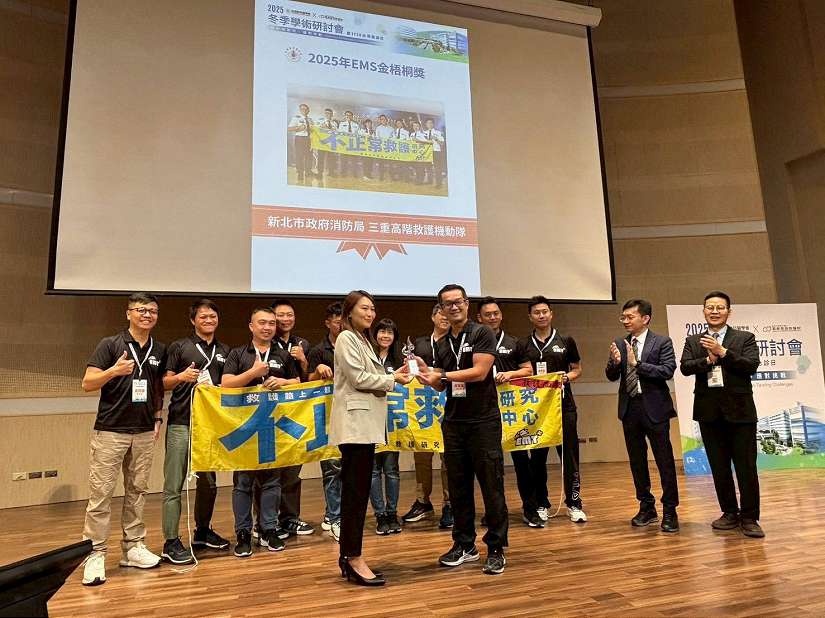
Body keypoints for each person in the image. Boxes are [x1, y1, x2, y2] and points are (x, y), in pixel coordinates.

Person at [417, 284, 509, 575]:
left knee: (491, 487)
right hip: (454, 423)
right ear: (441, 309)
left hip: (483, 421)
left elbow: (480, 372)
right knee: (458, 488)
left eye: (458, 301)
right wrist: (425, 375)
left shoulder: (482, 333)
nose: (453, 307)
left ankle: (495, 548)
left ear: (467, 304)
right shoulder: (443, 343)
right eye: (448, 304)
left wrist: (441, 374)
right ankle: (464, 544)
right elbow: (441, 385)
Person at [80, 293, 166, 586]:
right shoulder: (110, 344)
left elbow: (157, 388)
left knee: (137, 491)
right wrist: (114, 371)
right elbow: (87, 383)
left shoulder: (159, 348)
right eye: (141, 310)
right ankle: (95, 553)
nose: (147, 315)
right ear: (129, 313)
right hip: (111, 430)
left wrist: (157, 418)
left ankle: (133, 547)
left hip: (144, 431)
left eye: (152, 310)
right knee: (101, 495)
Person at [332, 290, 412, 586]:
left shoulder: (362, 339)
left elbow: (369, 375)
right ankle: (353, 558)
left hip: (364, 426)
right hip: (355, 425)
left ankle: (349, 556)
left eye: (372, 308)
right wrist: (393, 379)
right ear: (349, 312)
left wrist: (393, 374)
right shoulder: (346, 338)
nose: (370, 313)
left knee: (359, 492)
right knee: (355, 494)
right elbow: (358, 378)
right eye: (364, 308)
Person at [679, 291, 763, 538]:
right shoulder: (694, 340)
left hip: (741, 413)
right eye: (710, 307)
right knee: (719, 467)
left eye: (720, 307)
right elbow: (685, 367)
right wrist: (707, 359)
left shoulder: (744, 338)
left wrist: (723, 352)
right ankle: (729, 513)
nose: (714, 312)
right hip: (709, 413)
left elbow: (751, 366)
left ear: (729, 311)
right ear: (703, 311)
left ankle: (750, 517)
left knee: (746, 467)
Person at [221, 307, 301, 557]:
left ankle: (268, 529)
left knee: (272, 481)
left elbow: (298, 382)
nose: (267, 327)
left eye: (271, 323)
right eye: (262, 323)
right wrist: (252, 374)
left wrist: (283, 382)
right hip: (245, 427)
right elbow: (225, 384)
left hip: (273, 427)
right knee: (243, 482)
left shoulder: (282, 355)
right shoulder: (237, 353)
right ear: (251, 326)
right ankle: (243, 533)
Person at [160, 299, 231, 565]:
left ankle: (202, 531)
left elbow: (229, 384)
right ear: (193, 320)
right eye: (203, 317)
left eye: (213, 316)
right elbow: (164, 382)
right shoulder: (179, 347)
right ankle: (170, 541)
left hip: (210, 424)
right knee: (174, 484)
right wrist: (181, 378)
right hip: (182, 421)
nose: (208, 320)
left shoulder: (225, 351)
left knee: (209, 482)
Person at [605, 299, 680, 532]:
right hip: (630, 408)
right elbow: (610, 375)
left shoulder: (662, 342)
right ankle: (646, 506)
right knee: (637, 461)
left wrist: (637, 364)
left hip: (655, 409)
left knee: (664, 461)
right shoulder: (620, 343)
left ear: (645, 318)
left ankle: (670, 510)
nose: (625, 321)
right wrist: (616, 363)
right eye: (623, 317)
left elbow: (667, 371)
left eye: (630, 317)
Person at [515, 296, 587, 523]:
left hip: (564, 406)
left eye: (545, 311)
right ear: (530, 317)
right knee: (537, 458)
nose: (541, 315)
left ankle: (574, 504)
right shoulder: (523, 344)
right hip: (536, 410)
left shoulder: (566, 340)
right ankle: (541, 503)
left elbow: (577, 369)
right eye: (536, 312)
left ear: (551, 313)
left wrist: (567, 377)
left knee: (569, 456)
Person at [476, 297, 540, 528]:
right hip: (484, 410)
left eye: (496, 313)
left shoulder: (514, 342)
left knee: (522, 462)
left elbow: (528, 369)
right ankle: (495, 511)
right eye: (488, 314)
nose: (493, 317)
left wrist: (510, 374)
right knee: (491, 467)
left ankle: (530, 509)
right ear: (479, 318)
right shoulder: (474, 342)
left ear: (501, 315)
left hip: (513, 411)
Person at [402, 304, 452, 528]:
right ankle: (423, 502)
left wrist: (433, 373)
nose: (445, 317)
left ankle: (450, 503)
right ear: (433, 317)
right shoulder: (419, 344)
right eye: (441, 313)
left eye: (448, 314)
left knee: (448, 457)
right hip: (422, 409)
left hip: (447, 407)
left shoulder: (455, 343)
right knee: (421, 456)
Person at [270, 299, 314, 538]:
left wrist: (303, 360)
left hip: (297, 413)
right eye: (280, 315)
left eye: (289, 315)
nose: (285, 319)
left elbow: (308, 379)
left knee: (293, 469)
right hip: (270, 414)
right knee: (269, 472)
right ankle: (266, 522)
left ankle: (289, 518)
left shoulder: (302, 344)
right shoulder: (266, 343)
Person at [307, 302, 344, 542]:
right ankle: (333, 516)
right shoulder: (318, 350)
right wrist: (318, 370)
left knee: (350, 469)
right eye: (337, 322)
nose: (341, 326)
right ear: (328, 323)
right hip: (327, 417)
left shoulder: (357, 345)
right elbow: (308, 381)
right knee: (332, 468)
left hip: (351, 414)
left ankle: (341, 514)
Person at [369, 318, 403, 535]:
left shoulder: (399, 360)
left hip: (393, 423)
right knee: (373, 471)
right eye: (382, 331)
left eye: (390, 333)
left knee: (391, 470)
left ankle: (392, 513)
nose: (385, 336)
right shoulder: (367, 357)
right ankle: (380, 515)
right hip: (370, 420)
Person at [287, 103, 314, 183]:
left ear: (308, 110)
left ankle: (308, 172)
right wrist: (299, 128)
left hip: (309, 139)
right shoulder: (296, 118)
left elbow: (313, 130)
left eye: (305, 109)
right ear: (300, 110)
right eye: (302, 109)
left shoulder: (310, 119)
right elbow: (289, 129)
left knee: (309, 156)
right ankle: (300, 173)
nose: (304, 110)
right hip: (300, 139)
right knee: (299, 156)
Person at [423, 118, 445, 189]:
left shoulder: (438, 133)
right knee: (428, 167)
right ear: (426, 124)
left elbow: (442, 143)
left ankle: (439, 184)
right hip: (426, 152)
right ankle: (429, 181)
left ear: (433, 124)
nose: (429, 124)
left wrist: (436, 139)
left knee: (437, 168)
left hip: (436, 151)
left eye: (431, 123)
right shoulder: (423, 133)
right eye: (428, 123)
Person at [316, 107, 337, 178]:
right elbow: (316, 129)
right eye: (327, 113)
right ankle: (319, 173)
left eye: (330, 113)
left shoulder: (334, 123)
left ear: (332, 115)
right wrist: (321, 127)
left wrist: (332, 130)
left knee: (331, 158)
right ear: (325, 114)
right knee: (321, 158)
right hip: (322, 142)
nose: (328, 115)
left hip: (331, 143)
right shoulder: (320, 121)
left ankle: (331, 172)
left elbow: (337, 132)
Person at [373, 114, 394, 182]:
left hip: (389, 147)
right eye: (381, 119)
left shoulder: (391, 128)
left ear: (387, 120)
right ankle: (381, 176)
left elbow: (393, 138)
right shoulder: (378, 128)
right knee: (381, 163)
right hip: (381, 148)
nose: (383, 120)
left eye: (384, 119)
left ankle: (391, 176)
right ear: (380, 121)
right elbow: (377, 138)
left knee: (390, 163)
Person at [339, 110, 359, 178]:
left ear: (352, 116)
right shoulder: (341, 124)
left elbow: (358, 134)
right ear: (345, 116)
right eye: (347, 115)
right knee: (343, 159)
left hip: (353, 144)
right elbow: (339, 134)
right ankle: (343, 173)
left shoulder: (356, 125)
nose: (348, 116)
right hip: (344, 144)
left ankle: (355, 173)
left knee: (354, 160)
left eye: (350, 115)